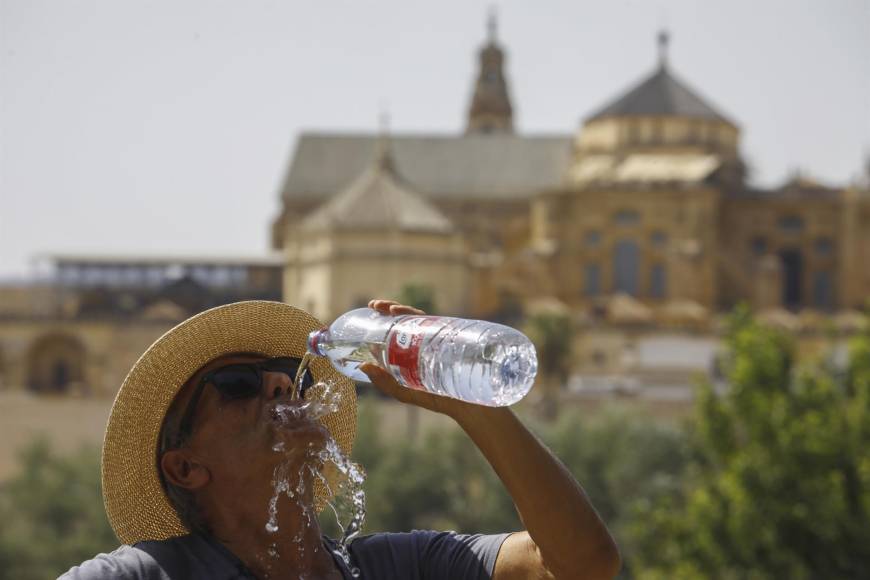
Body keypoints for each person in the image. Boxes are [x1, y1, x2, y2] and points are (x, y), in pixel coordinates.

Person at [60, 299, 620, 579]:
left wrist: (471, 406)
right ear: (185, 468)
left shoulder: (394, 567)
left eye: (289, 374)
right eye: (234, 386)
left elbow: (579, 565)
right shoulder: (150, 573)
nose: (282, 383)